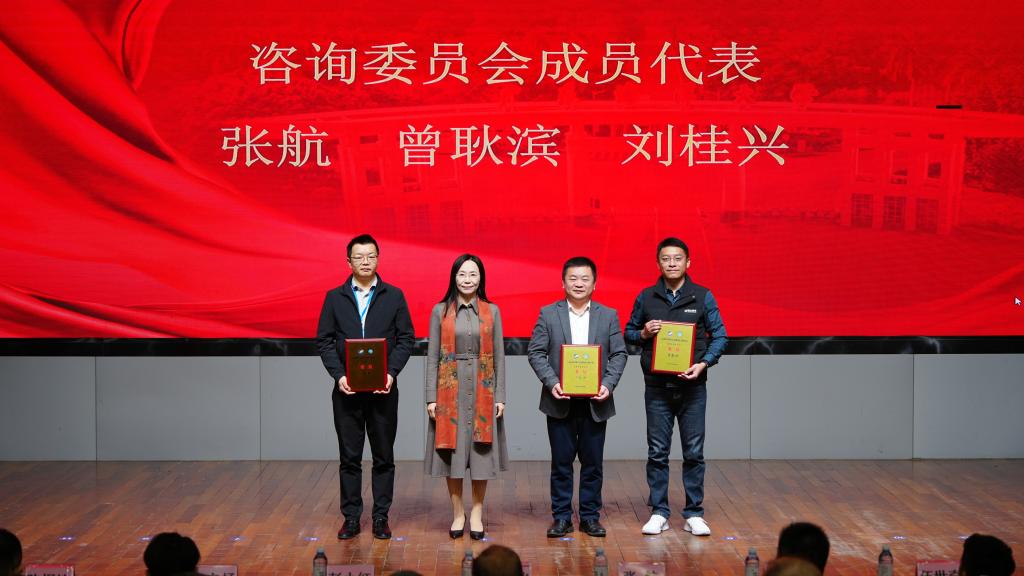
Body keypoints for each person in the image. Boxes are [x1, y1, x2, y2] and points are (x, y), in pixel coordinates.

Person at [625, 237, 728, 537]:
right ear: (658, 263)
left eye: (677, 258)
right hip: (657, 388)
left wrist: (704, 363)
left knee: (694, 452)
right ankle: (659, 512)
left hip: (692, 389)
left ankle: (694, 513)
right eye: (666, 259)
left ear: (688, 262)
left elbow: (720, 336)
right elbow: (628, 332)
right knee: (657, 452)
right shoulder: (646, 297)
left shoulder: (703, 296)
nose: (672, 263)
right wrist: (643, 333)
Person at [316, 234, 415, 540]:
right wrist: (339, 375)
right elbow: (324, 341)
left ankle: (381, 517)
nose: (365, 262)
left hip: (383, 391)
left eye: (371, 256)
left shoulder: (394, 296)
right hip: (346, 392)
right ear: (348, 262)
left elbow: (406, 339)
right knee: (349, 458)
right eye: (359, 257)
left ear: (378, 259)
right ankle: (351, 518)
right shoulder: (335, 298)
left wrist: (391, 373)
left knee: (384, 456)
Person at [528, 256, 628, 538]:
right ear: (563, 283)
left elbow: (619, 353)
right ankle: (561, 518)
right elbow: (536, 352)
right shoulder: (549, 313)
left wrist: (608, 384)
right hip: (559, 401)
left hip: (596, 402)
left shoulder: (608, 315)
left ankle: (590, 517)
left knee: (593, 464)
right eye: (573, 278)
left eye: (585, 279)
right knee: (561, 464)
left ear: (595, 284)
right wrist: (552, 383)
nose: (579, 283)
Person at [425, 254, 509, 540]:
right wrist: (431, 398)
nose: (468, 280)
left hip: (484, 389)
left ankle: (477, 513)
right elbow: (432, 357)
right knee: (454, 453)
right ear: (454, 277)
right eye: (462, 274)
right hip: (450, 390)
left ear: (481, 278)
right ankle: (458, 512)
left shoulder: (492, 311)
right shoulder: (440, 311)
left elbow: (499, 357)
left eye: (473, 274)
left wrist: (500, 396)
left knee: (481, 454)